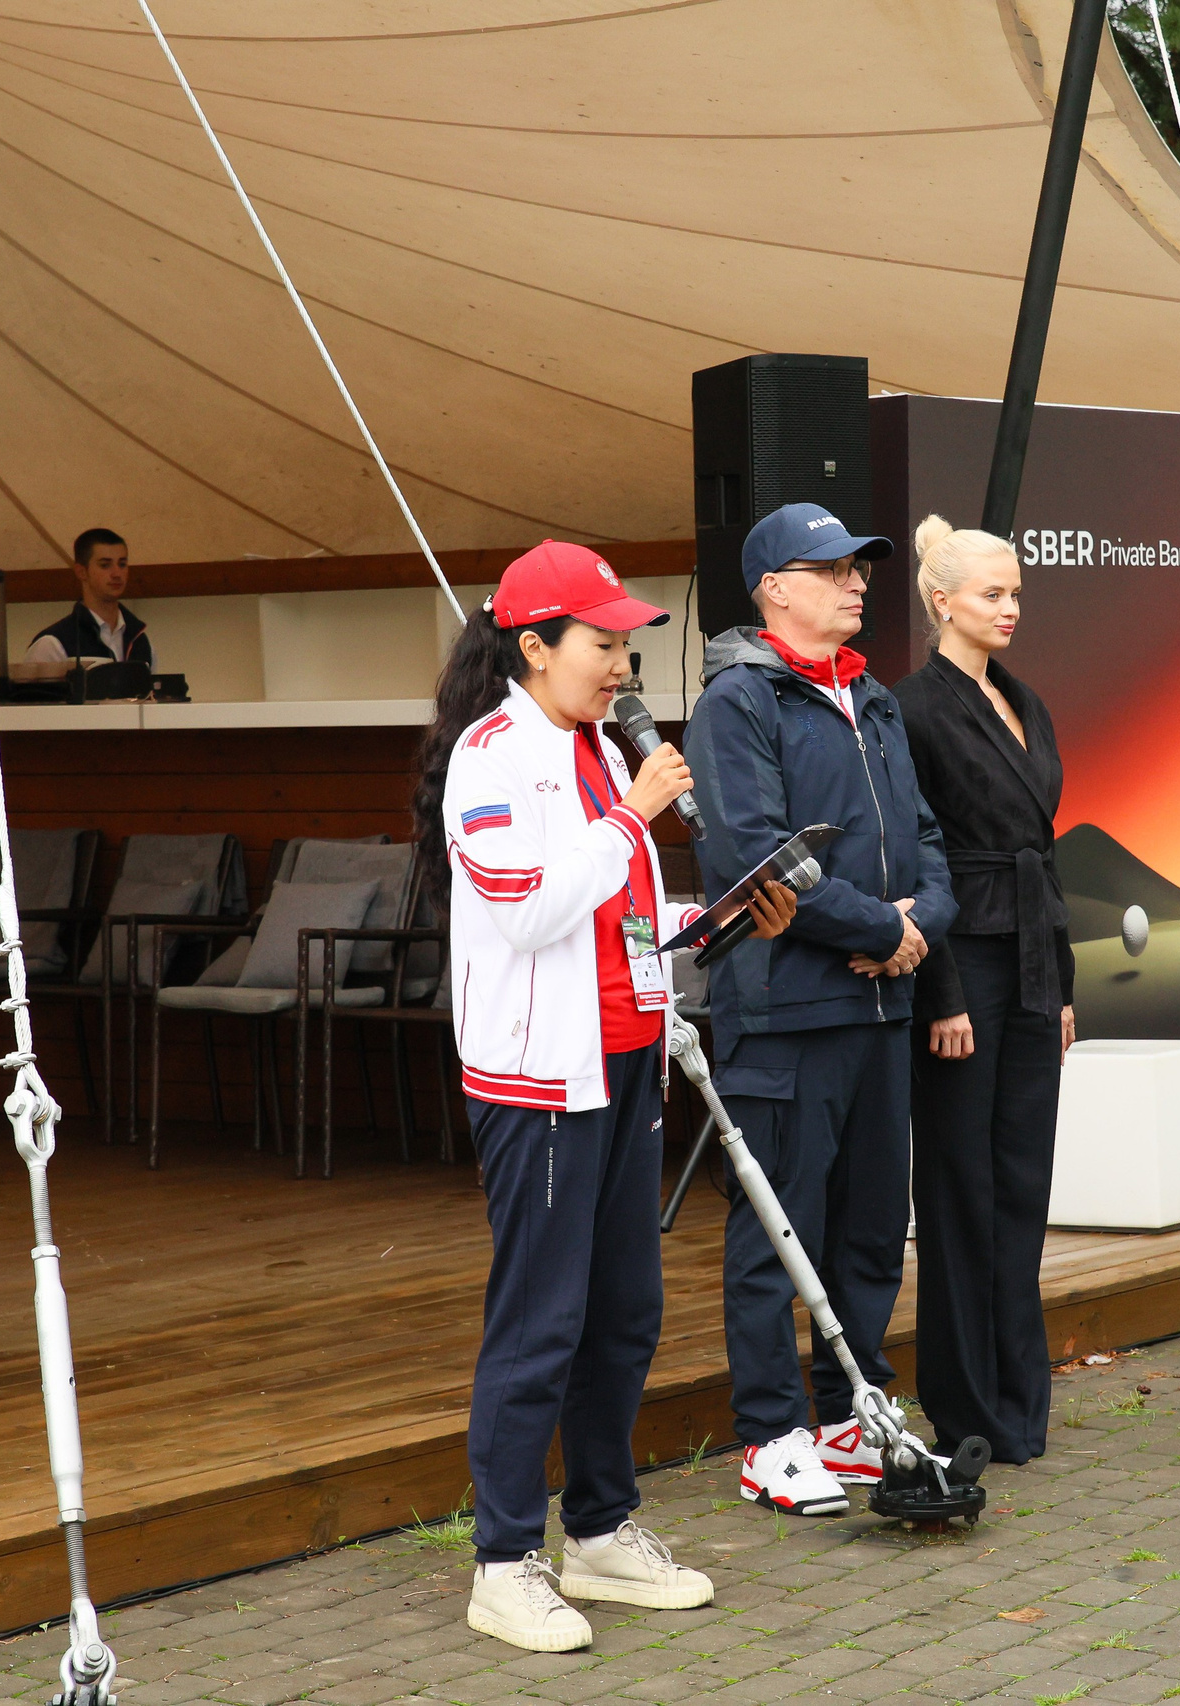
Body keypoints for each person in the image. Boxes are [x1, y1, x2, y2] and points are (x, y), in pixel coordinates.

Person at [414, 539, 797, 1651]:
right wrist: (632, 809)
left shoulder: (590, 753)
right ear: (531, 645)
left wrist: (718, 916)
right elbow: (529, 906)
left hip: (626, 1054)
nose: (622, 663)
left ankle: (600, 1524)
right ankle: (502, 1560)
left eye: (628, 642)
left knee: (625, 1310)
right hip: (538, 1079)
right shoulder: (493, 754)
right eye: (602, 641)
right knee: (541, 1319)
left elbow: (616, 917)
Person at [688, 502, 957, 1517]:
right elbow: (752, 855)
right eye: (832, 566)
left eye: (860, 566)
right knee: (776, 1229)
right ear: (774, 588)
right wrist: (876, 929)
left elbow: (929, 840)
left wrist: (916, 921)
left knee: (871, 1223)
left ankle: (852, 1412)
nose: (857, 581)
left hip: (879, 1007)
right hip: (787, 1011)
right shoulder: (737, 701)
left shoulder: (872, 698)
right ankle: (770, 1434)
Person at [892, 516, 1072, 1466]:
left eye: (1015, 593)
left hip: (1034, 966)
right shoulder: (912, 709)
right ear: (941, 601)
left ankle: (1018, 1399)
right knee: (960, 1187)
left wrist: (1065, 981)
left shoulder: (1026, 701)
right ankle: (965, 1405)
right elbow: (920, 858)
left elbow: (1040, 852)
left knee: (1021, 1186)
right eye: (992, 593)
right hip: (961, 969)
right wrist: (944, 993)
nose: (1009, 608)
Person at [24, 529, 152, 668]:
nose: (117, 573)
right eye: (105, 565)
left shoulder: (140, 640)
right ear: (82, 572)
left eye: (122, 564)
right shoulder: (53, 644)